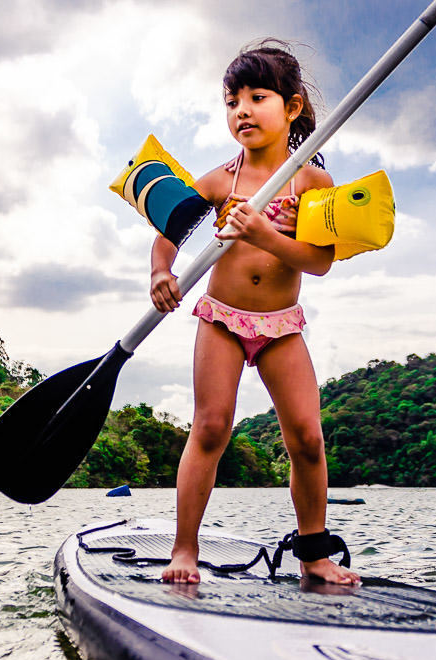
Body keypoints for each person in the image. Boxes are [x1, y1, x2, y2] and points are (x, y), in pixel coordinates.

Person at [150, 40, 360, 585]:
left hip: (281, 326)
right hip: (222, 318)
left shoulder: (313, 183)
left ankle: (313, 552)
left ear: (291, 108)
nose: (242, 110)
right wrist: (161, 273)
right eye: (231, 101)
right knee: (212, 427)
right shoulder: (220, 181)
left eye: (257, 97)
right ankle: (184, 550)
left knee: (307, 438)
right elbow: (167, 236)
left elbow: (318, 264)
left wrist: (265, 232)